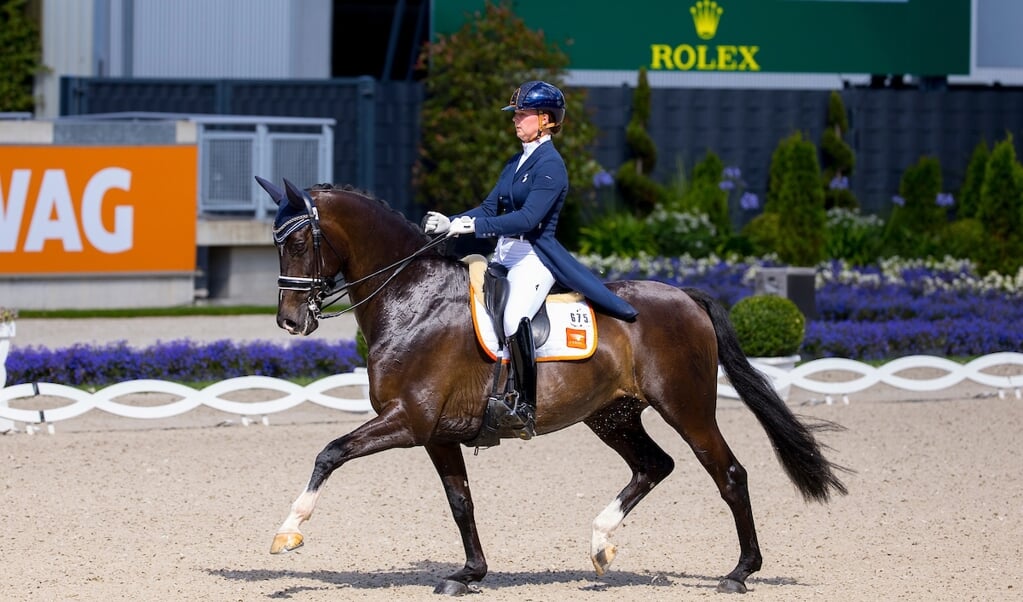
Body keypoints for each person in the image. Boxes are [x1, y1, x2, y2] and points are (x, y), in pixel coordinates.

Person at [424, 80, 637, 439]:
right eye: (516, 114)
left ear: (547, 119)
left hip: (534, 257)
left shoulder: (551, 166)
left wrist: (470, 226)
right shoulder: (516, 161)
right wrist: (452, 222)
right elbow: (491, 207)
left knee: (513, 317)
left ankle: (522, 403)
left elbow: (527, 219)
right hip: (505, 255)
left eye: (522, 114)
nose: (515, 120)